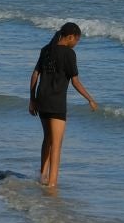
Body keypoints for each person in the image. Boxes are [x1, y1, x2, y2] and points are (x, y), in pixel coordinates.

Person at [29, 22, 99, 187]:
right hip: (56, 103)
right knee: (57, 145)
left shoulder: (46, 50)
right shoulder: (69, 54)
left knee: (47, 139)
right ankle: (52, 183)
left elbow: (34, 75)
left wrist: (32, 100)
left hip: (42, 99)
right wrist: (90, 98)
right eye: (77, 40)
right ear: (70, 37)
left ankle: (43, 176)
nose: (76, 44)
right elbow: (75, 81)